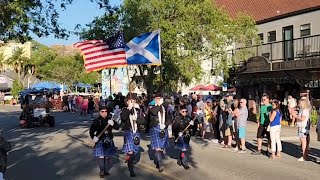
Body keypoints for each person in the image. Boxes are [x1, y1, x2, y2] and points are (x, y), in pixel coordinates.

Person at [89, 106, 119, 178]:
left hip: (109, 139)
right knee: (101, 156)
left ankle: (106, 170)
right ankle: (102, 171)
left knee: (107, 156)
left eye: (105, 111)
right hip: (100, 140)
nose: (104, 113)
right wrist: (94, 137)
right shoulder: (96, 120)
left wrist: (113, 124)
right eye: (102, 111)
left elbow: (117, 127)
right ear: (100, 112)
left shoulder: (110, 119)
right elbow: (91, 131)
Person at [120, 96, 145, 177]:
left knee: (134, 151)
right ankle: (131, 170)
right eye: (130, 101)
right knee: (130, 151)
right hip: (128, 131)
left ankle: (129, 158)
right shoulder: (124, 109)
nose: (132, 102)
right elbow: (123, 117)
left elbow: (142, 121)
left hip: (136, 132)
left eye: (133, 101)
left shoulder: (138, 110)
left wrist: (138, 117)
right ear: (127, 102)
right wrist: (128, 109)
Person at [148, 93, 171, 172]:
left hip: (163, 128)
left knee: (161, 148)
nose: (158, 100)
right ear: (154, 99)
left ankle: (158, 160)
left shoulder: (165, 107)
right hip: (155, 128)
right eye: (156, 98)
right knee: (157, 147)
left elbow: (169, 118)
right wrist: (158, 105)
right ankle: (160, 164)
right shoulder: (151, 106)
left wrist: (165, 125)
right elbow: (154, 112)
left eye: (159, 98)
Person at [172, 105, 194, 170]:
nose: (185, 112)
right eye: (183, 111)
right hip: (180, 136)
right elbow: (174, 128)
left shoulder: (188, 118)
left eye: (186, 111)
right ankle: (185, 163)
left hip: (187, 136)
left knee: (183, 149)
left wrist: (192, 125)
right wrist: (178, 132)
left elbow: (191, 128)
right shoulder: (177, 118)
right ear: (180, 111)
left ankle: (180, 159)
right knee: (183, 150)